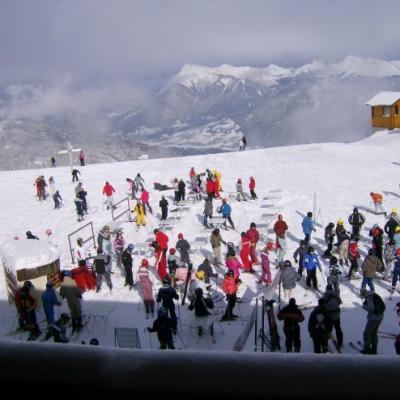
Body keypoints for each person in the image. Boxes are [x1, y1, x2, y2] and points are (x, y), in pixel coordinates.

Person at [360, 289, 385, 354]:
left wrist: (364, 306)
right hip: (380, 316)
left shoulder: (368, 297)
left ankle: (367, 349)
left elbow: (371, 308)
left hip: (374, 318)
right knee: (374, 333)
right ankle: (374, 349)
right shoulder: (374, 294)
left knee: (367, 333)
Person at [323, 284, 343, 349]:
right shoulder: (335, 294)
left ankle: (326, 341)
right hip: (337, 314)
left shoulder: (325, 294)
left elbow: (322, 304)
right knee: (338, 328)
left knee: (328, 328)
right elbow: (340, 301)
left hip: (329, 315)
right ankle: (340, 342)